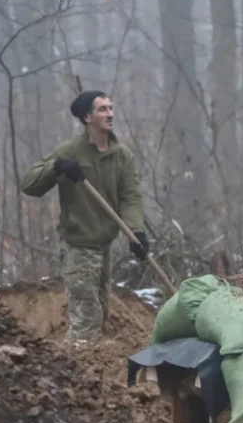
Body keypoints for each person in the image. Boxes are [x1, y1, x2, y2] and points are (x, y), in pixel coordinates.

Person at [21, 91, 148, 344]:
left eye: (111, 108)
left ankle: (88, 377)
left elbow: (130, 197)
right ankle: (68, 374)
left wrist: (136, 232)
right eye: (102, 109)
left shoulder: (121, 155)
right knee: (87, 321)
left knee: (101, 314)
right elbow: (29, 184)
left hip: (104, 247)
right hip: (77, 248)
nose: (110, 114)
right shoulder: (70, 151)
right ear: (87, 117)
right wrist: (56, 167)